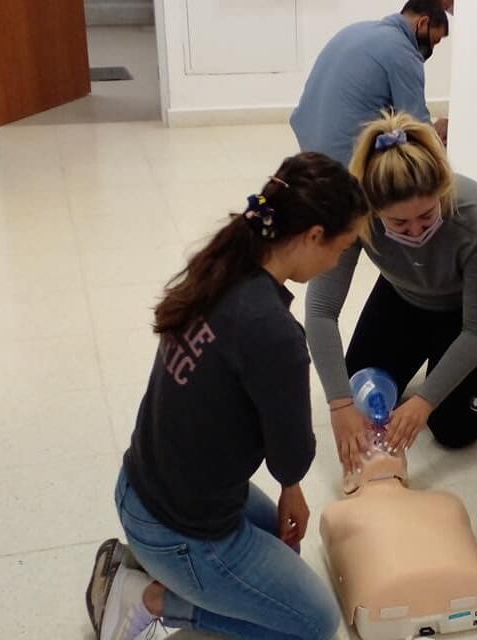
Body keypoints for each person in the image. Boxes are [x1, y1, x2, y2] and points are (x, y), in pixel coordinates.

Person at [85, 153, 369, 640]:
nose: (337, 263)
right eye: (341, 249)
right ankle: (148, 598)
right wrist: (292, 480)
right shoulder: (273, 332)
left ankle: (156, 571)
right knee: (315, 624)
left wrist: (291, 489)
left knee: (281, 538)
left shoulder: (222, 266)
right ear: (313, 235)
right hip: (176, 528)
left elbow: (282, 464)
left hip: (142, 486)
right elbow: (292, 456)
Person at [306, 111, 477, 473]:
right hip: (404, 294)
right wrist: (339, 404)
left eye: (426, 216)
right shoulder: (353, 214)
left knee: (455, 428)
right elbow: (321, 309)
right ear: (373, 210)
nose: (416, 232)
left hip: (471, 310)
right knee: (360, 390)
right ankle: (430, 350)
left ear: (442, 193)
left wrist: (424, 401)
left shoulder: (476, 215)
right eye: (400, 223)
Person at [291, 0, 451, 167]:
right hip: (343, 159)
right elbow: (416, 124)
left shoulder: (356, 30)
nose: (431, 49)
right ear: (423, 23)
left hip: (308, 148)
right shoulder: (404, 52)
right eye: (434, 41)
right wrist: (441, 137)